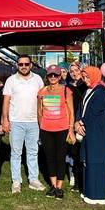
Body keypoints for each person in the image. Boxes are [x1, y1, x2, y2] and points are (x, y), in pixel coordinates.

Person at [2, 55, 45, 194]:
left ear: (31, 65)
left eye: (26, 63)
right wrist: (5, 119)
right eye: (21, 64)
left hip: (34, 122)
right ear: (17, 65)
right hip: (16, 121)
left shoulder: (38, 79)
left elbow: (43, 99)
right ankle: (16, 181)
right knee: (15, 153)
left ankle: (33, 179)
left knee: (33, 152)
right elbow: (6, 101)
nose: (24, 66)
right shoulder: (11, 80)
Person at [37, 65, 74, 200]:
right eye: (50, 75)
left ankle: (59, 186)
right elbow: (39, 112)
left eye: (56, 75)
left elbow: (71, 112)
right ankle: (53, 186)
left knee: (60, 157)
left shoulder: (66, 90)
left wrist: (71, 129)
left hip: (62, 129)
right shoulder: (42, 92)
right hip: (46, 130)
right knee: (50, 157)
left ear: (60, 76)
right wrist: (41, 127)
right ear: (47, 76)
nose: (53, 77)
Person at [75, 66, 105, 205]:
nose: (85, 79)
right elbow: (81, 108)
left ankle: (97, 195)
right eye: (84, 77)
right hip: (87, 129)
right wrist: (77, 122)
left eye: (88, 77)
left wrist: (81, 123)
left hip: (97, 131)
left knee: (96, 160)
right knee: (88, 160)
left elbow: (94, 111)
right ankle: (89, 191)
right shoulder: (88, 90)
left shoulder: (101, 91)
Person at [65, 62, 87, 191]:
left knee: (82, 153)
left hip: (82, 123)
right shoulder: (67, 87)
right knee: (73, 153)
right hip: (70, 123)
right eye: (71, 71)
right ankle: (75, 180)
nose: (74, 73)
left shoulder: (85, 86)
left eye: (76, 70)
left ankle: (83, 181)